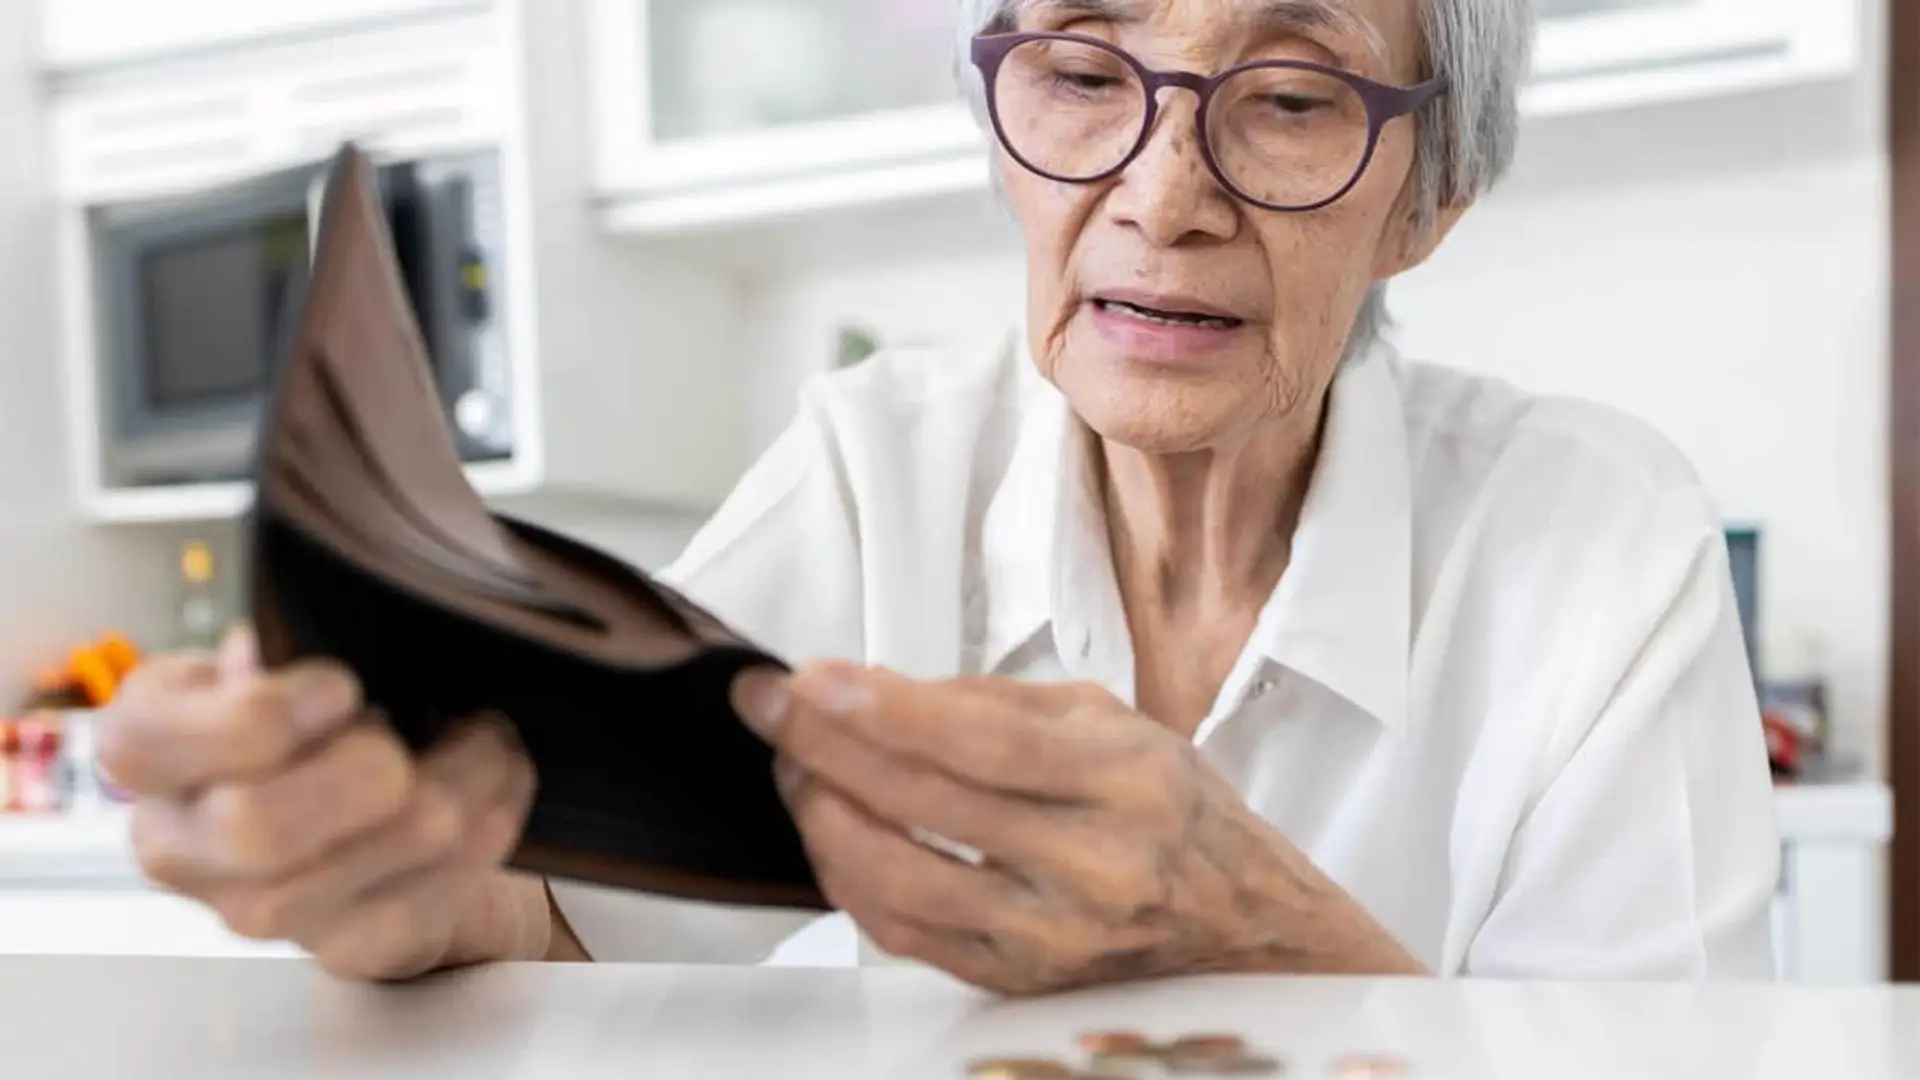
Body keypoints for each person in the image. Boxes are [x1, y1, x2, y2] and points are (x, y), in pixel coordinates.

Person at [100, 0, 1780, 994]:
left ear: (1436, 197)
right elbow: (556, 911)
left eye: (1287, 100)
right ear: (997, 116)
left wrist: (1261, 932)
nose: (1161, 193)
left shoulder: (1600, 545)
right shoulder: (877, 464)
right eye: (1079, 71)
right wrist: (356, 868)